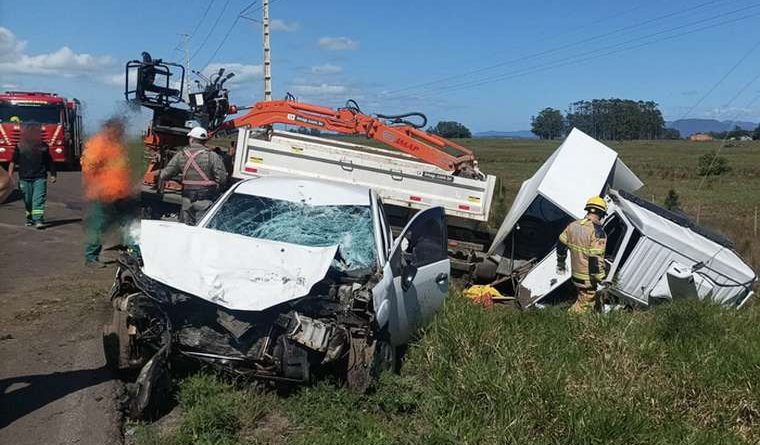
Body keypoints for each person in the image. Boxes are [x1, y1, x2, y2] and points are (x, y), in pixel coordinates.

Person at [81, 118, 136, 268]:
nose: (122, 132)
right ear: (109, 129)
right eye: (119, 129)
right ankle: (91, 258)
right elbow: (89, 167)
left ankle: (134, 254)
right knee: (99, 225)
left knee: (129, 223)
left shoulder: (120, 145)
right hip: (103, 193)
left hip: (121, 192)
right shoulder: (98, 144)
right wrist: (96, 186)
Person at [160, 126, 227, 225]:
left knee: (186, 230)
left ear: (191, 139)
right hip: (205, 200)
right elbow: (222, 179)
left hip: (187, 200)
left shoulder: (181, 155)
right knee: (202, 230)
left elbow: (164, 175)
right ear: (204, 141)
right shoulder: (212, 156)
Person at [556, 196, 608, 314]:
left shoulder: (573, 225)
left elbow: (560, 245)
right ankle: (570, 322)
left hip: (575, 275)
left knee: (583, 299)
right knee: (584, 306)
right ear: (601, 213)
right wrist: (601, 279)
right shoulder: (598, 232)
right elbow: (595, 259)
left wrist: (561, 263)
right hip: (588, 278)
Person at [7, 123, 57, 229]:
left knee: (38, 199)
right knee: (27, 200)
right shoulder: (20, 146)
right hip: (24, 178)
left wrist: (53, 174)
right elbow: (12, 162)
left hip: (40, 177)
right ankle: (29, 218)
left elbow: (50, 162)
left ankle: (38, 219)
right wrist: (9, 176)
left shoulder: (43, 146)